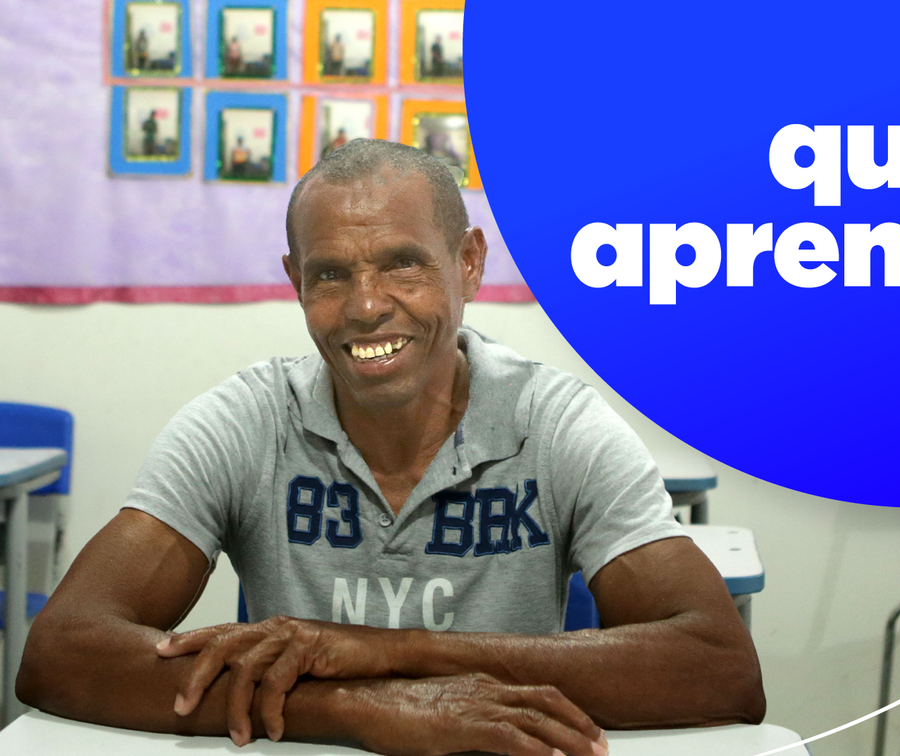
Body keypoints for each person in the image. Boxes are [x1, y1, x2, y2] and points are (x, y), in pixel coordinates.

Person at [17, 139, 764, 756]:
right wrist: (360, 709)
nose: (367, 306)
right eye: (331, 274)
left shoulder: (555, 423)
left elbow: (719, 669)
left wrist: (386, 650)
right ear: (294, 281)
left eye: (403, 263)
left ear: (468, 262)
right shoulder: (247, 420)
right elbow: (63, 654)